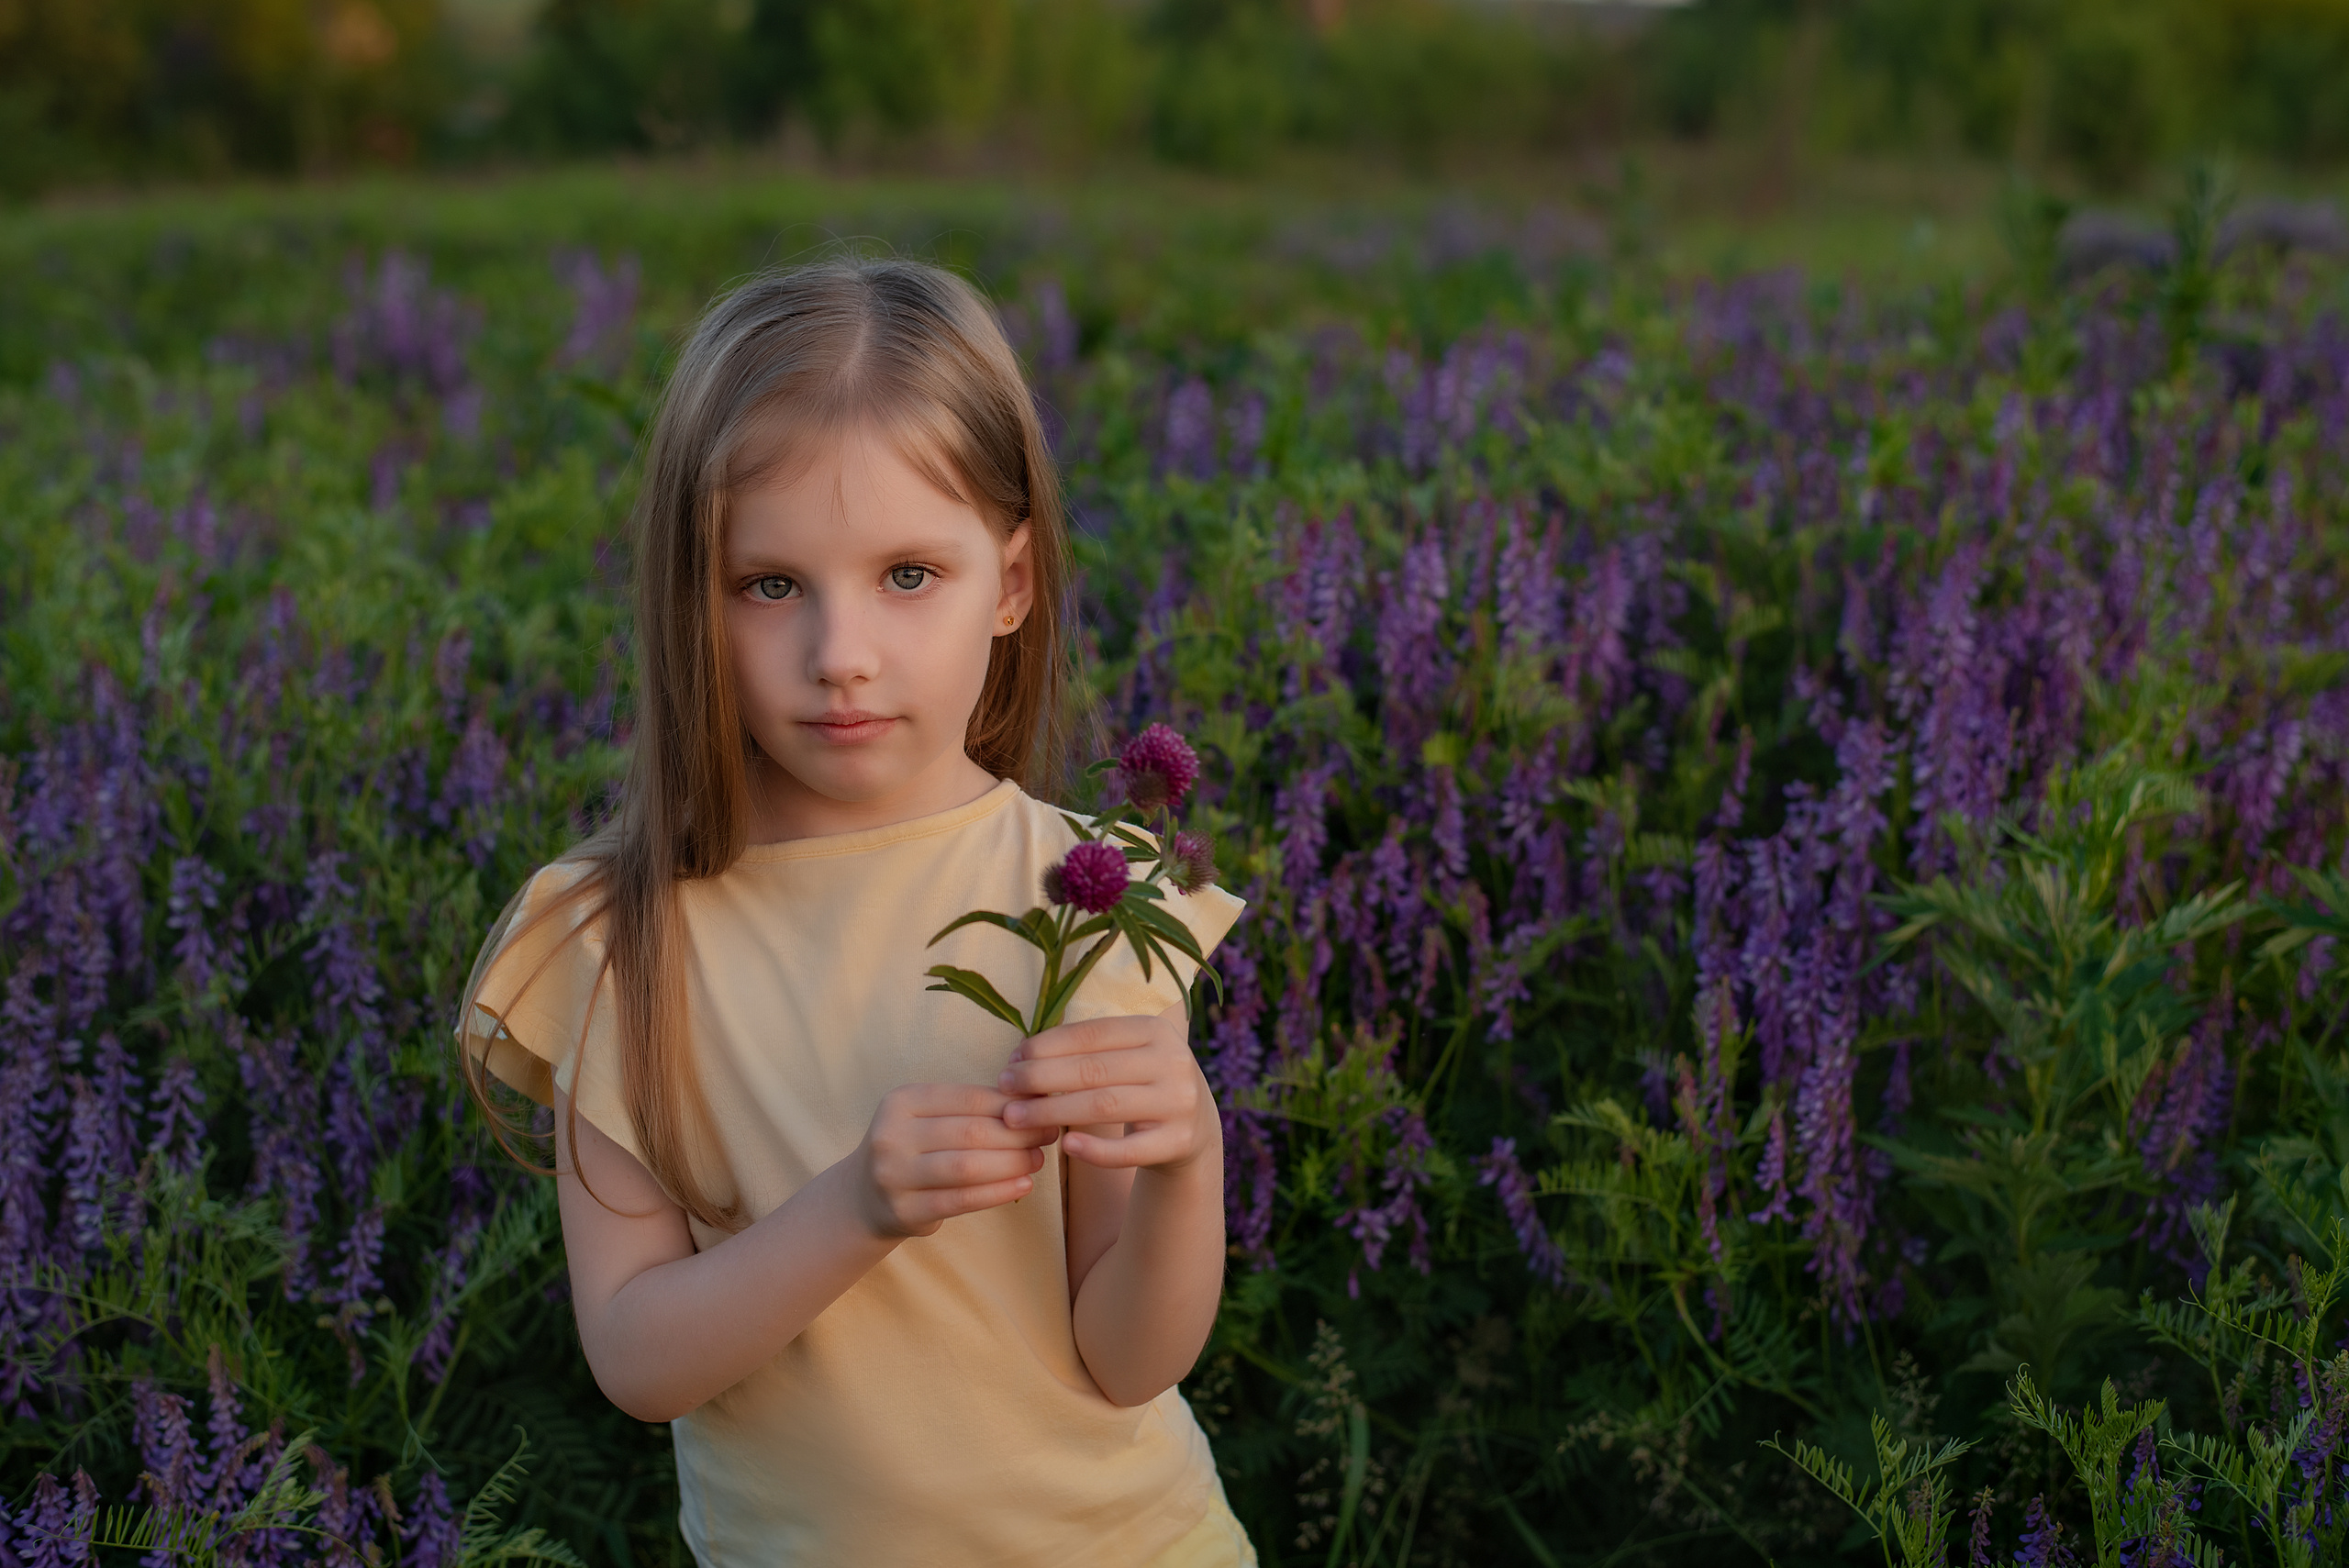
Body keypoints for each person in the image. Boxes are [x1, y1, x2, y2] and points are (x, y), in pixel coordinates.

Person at [456, 257, 1254, 1566]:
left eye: (908, 575)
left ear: (1011, 583)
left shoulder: (1087, 895)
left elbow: (1128, 1357)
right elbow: (640, 1360)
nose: (842, 655)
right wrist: (856, 1209)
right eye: (771, 585)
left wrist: (1189, 1164)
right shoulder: (616, 938)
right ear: (691, 600)